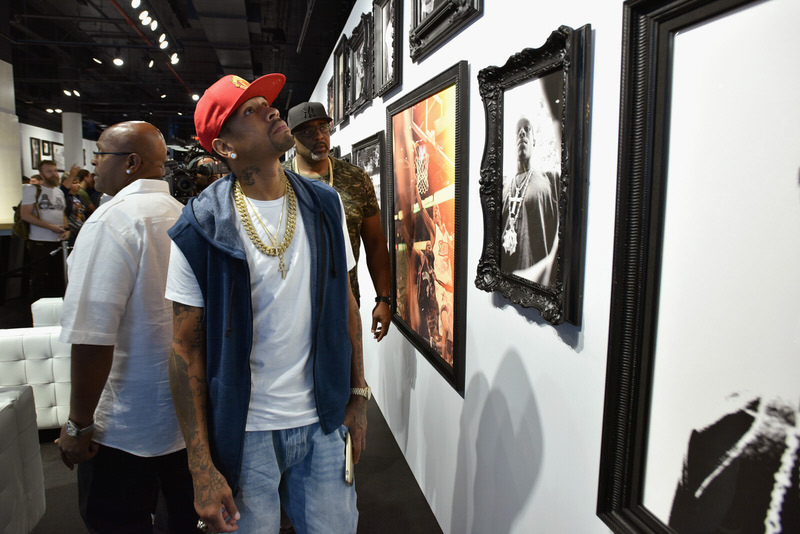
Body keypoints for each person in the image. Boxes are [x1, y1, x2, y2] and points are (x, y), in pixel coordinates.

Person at [166, 74, 368, 533]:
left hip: (323, 416)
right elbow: (184, 351)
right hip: (245, 431)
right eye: (250, 111)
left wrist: (358, 393)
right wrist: (200, 466)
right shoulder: (199, 228)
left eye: (267, 103)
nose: (272, 110)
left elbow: (346, 304)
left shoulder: (326, 205)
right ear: (224, 148)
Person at [56, 121, 197, 533]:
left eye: (100, 154)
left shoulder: (110, 223)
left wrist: (78, 424)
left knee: (115, 521)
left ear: (131, 163)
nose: (94, 165)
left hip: (122, 427)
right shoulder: (184, 216)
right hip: (183, 421)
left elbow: (92, 337)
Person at [283, 101, 392, 342]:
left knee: (345, 376)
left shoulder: (355, 178)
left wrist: (383, 299)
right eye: (307, 132)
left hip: (344, 304)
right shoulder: (279, 181)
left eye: (323, 127)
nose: (319, 136)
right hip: (289, 307)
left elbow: (375, 242)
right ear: (292, 138)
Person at [500, 115, 560, 286]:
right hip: (505, 286)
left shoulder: (550, 181)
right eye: (518, 131)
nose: (522, 134)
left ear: (534, 141)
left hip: (536, 284)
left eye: (527, 130)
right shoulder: (503, 187)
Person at [413, 174, 454, 365]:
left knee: (451, 329)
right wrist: (416, 193)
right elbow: (422, 212)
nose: (436, 213)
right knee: (443, 321)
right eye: (434, 210)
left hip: (450, 287)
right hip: (439, 287)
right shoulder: (435, 232)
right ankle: (444, 356)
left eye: (437, 210)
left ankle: (448, 354)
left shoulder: (448, 235)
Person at [20, 159, 69, 300]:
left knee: (57, 279)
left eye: (55, 171)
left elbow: (62, 213)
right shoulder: (32, 190)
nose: (54, 174)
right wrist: (50, 227)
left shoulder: (59, 192)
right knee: (39, 279)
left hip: (58, 241)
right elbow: (26, 214)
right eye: (49, 171)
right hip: (40, 241)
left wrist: (66, 229)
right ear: (41, 174)